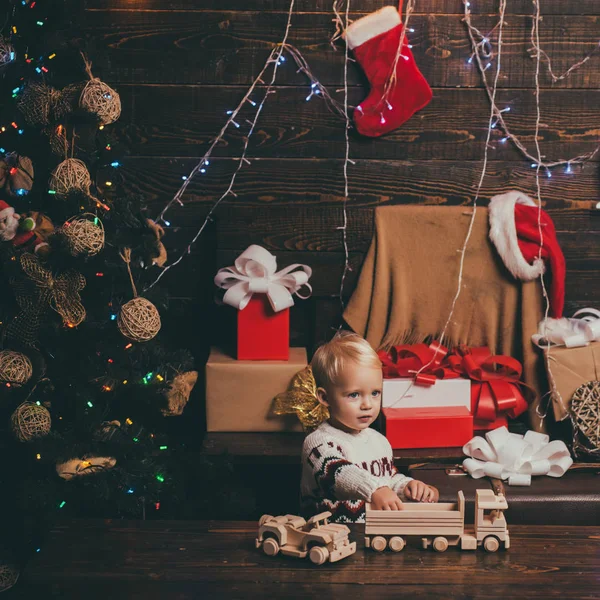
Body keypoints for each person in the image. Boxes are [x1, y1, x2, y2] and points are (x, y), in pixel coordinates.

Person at [301, 331, 439, 523]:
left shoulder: (378, 441)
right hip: (330, 528)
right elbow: (339, 474)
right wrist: (374, 490)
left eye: (375, 393)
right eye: (354, 395)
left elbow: (387, 477)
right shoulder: (318, 443)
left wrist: (406, 486)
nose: (367, 404)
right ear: (325, 398)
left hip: (375, 530)